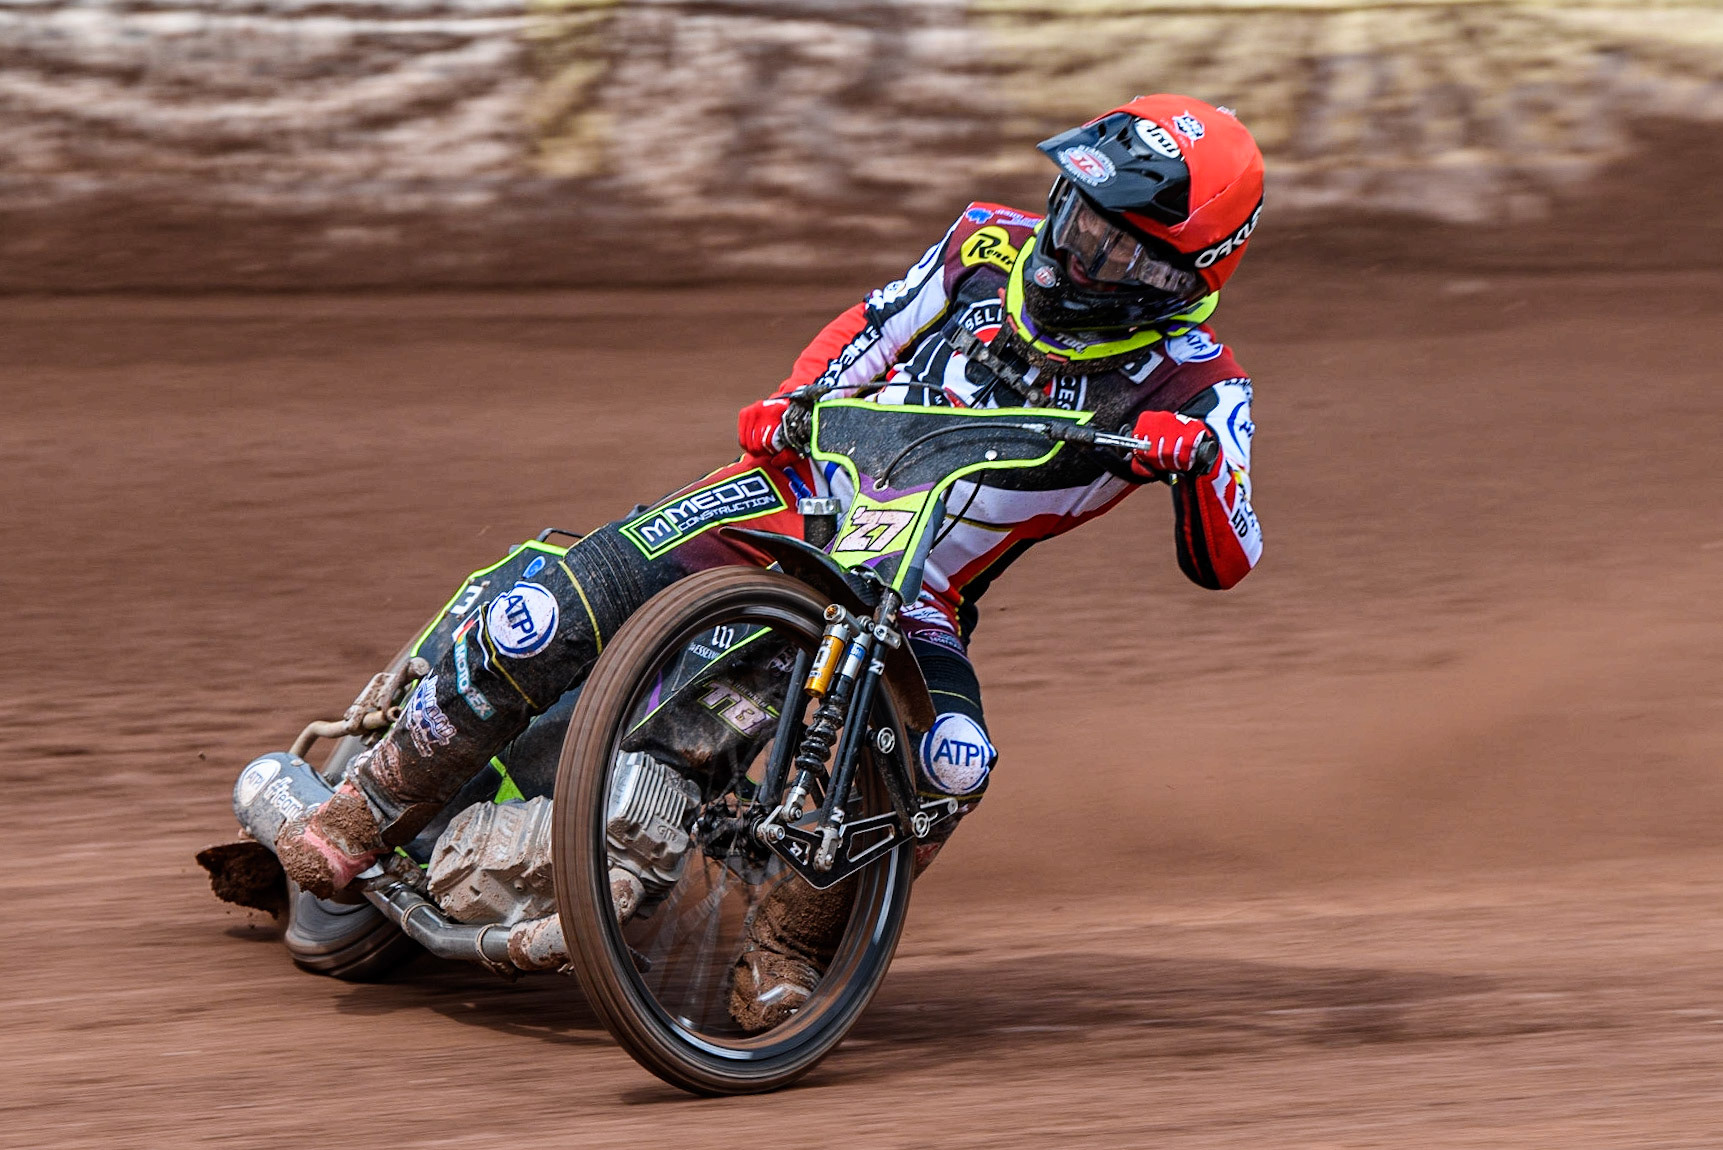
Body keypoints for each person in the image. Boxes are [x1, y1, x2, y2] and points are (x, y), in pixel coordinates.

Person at [274, 93, 1266, 1027]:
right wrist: (796, 401)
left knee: (949, 766)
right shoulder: (983, 244)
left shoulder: (1199, 384)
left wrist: (1200, 463)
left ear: (1189, 275)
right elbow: (873, 328)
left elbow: (1232, 556)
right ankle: (368, 805)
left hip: (914, 588)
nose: (1078, 252)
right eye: (1079, 215)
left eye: (1117, 248)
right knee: (543, 613)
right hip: (789, 497)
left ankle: (789, 951)